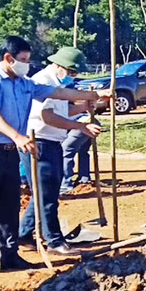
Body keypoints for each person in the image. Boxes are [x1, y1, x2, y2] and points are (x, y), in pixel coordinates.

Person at [0, 36, 110, 270]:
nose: (27, 64)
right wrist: (17, 136)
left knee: (8, 206)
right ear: (8, 58)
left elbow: (57, 94)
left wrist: (93, 96)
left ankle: (9, 255)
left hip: (12, 152)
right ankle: (46, 240)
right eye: (23, 60)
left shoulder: (24, 83)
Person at [19, 47, 102, 254]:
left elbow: (63, 111)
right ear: (59, 66)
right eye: (71, 72)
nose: (72, 77)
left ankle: (23, 233)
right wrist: (80, 126)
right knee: (46, 194)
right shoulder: (44, 81)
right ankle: (54, 241)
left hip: (52, 141)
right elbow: (48, 117)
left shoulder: (56, 83)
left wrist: (85, 106)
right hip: (39, 141)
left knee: (45, 192)